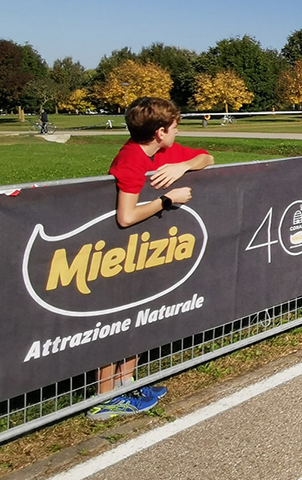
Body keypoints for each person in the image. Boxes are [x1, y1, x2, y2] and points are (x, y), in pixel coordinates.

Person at [87, 96, 214, 420]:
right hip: (117, 253)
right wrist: (167, 200)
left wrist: (182, 165)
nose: (176, 132)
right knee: (116, 321)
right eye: (174, 127)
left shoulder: (165, 152)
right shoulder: (130, 160)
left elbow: (207, 158)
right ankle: (103, 399)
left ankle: (127, 382)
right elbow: (126, 217)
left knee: (140, 316)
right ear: (160, 132)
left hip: (149, 251)